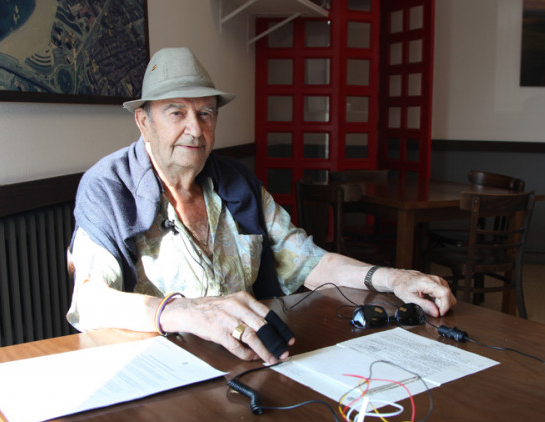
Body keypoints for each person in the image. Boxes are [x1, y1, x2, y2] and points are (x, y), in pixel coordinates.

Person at [67, 47, 455, 365]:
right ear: (143, 121)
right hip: (158, 370)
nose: (195, 129)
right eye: (177, 113)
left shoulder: (238, 182)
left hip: (250, 361)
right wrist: (187, 313)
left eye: (206, 113)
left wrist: (394, 279)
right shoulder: (108, 189)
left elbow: (311, 262)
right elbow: (90, 300)